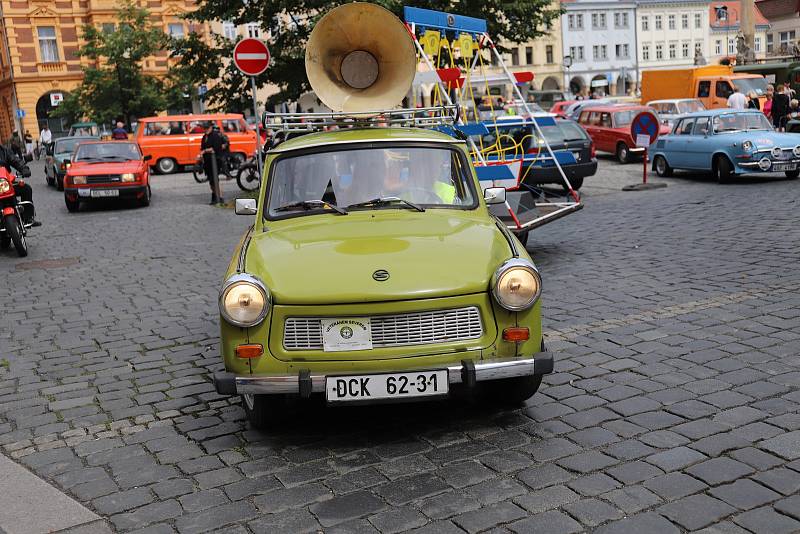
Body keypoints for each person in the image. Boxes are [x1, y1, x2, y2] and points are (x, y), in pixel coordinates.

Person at [0, 142, 39, 226]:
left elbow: (15, 160)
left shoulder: (4, 151)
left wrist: (24, 169)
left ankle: (28, 218)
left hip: (6, 183)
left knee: (26, 189)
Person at [200, 124, 226, 205]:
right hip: (207, 161)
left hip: (215, 160)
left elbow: (216, 147)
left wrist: (205, 151)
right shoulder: (205, 136)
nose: (205, 129)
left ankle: (219, 197)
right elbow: (202, 147)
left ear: (211, 127)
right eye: (204, 128)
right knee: (211, 181)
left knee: (215, 180)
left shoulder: (215, 136)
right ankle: (215, 196)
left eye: (207, 128)